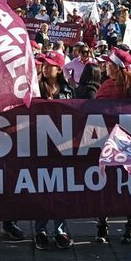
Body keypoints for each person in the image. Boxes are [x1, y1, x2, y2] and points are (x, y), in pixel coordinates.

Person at [95, 47, 131, 243]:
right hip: (107, 143)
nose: (105, 65)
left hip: (129, 143)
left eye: (108, 63)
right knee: (105, 185)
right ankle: (102, 225)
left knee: (130, 184)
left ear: (117, 67)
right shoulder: (105, 85)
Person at [34, 51, 74, 250]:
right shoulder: (35, 87)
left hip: (62, 146)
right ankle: (40, 230)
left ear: (59, 69)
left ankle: (60, 230)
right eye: (44, 64)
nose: (45, 67)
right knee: (41, 188)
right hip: (38, 145)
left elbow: (76, 114)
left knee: (60, 189)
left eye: (50, 64)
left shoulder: (68, 89)